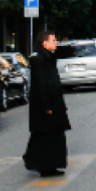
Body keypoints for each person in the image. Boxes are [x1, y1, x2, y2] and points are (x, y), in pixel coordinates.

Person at [24, 31, 71, 177]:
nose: (56, 42)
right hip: (47, 107)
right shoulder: (39, 59)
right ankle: (44, 166)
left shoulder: (48, 57)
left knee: (53, 136)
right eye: (53, 40)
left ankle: (49, 166)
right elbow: (40, 85)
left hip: (54, 104)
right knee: (46, 137)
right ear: (45, 43)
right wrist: (46, 106)